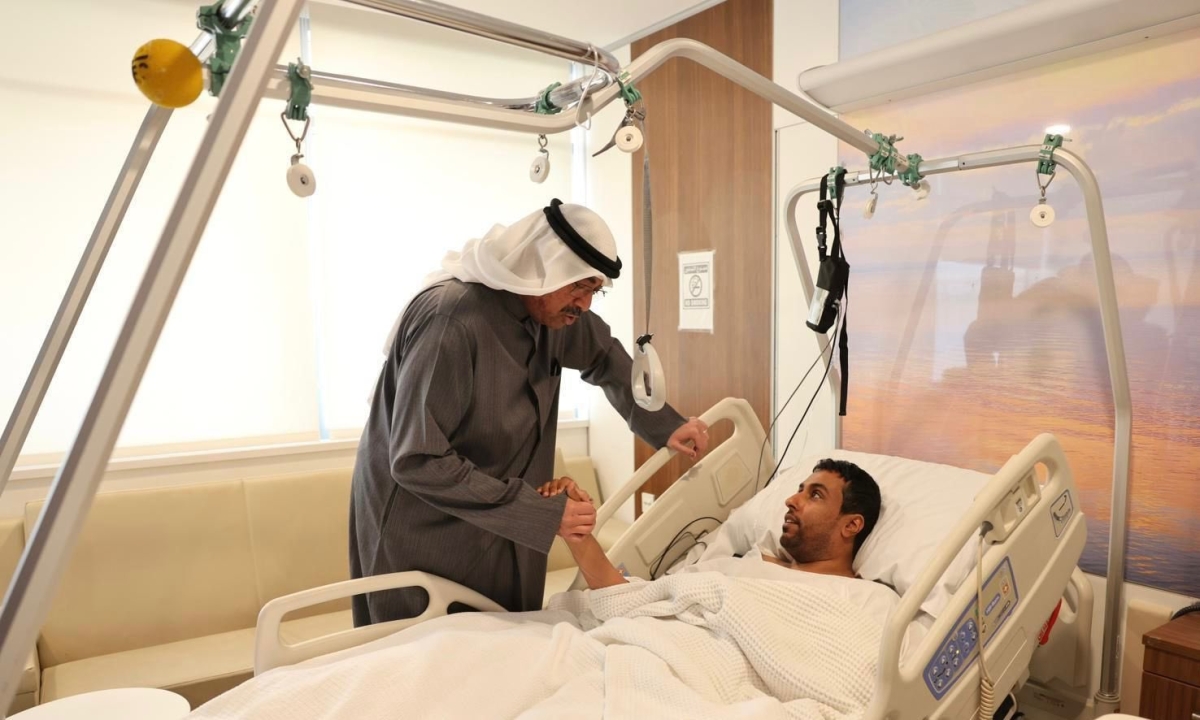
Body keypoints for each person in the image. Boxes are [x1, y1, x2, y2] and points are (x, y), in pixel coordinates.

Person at [350, 199, 710, 627]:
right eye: (578, 287)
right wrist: (542, 514)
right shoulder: (452, 321)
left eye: (594, 291)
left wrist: (666, 425)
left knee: (506, 650)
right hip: (424, 528)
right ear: (542, 268)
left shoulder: (552, 313)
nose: (585, 304)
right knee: (422, 653)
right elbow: (417, 460)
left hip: (503, 521)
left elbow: (606, 357)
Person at [545, 458, 886, 597]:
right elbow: (630, 600)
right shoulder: (744, 565)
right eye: (799, 489)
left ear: (852, 525)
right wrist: (578, 533)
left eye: (815, 495)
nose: (791, 501)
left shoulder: (866, 600)